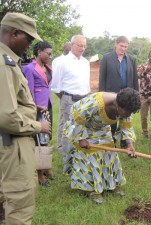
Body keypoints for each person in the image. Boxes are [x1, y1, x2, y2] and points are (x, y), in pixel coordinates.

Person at [0, 12, 51, 225]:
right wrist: (37, 125)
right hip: (12, 144)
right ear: (13, 33)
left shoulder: (9, 60)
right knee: (20, 204)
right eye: (28, 39)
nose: (30, 45)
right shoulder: (5, 64)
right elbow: (6, 116)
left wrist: (31, 107)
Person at [63, 88, 140, 204]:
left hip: (103, 129)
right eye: (127, 112)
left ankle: (112, 184)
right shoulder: (94, 103)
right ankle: (92, 189)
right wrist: (81, 138)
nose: (129, 115)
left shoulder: (126, 107)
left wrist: (130, 145)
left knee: (111, 154)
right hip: (85, 127)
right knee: (91, 156)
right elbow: (76, 119)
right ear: (118, 106)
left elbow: (126, 125)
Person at [23, 41, 57, 187]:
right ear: (39, 52)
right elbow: (28, 92)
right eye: (48, 53)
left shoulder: (48, 67)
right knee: (39, 140)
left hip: (47, 106)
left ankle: (47, 168)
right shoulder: (29, 69)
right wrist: (34, 108)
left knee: (47, 137)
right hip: (37, 108)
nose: (50, 56)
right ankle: (39, 175)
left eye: (51, 53)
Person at [51, 35, 90, 158]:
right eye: (79, 45)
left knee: (82, 127)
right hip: (69, 99)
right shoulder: (62, 62)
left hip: (84, 99)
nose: (82, 48)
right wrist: (65, 98)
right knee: (68, 129)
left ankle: (79, 153)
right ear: (72, 45)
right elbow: (55, 85)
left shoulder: (85, 62)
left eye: (84, 46)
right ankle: (67, 157)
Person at [99, 36, 138, 148]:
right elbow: (102, 78)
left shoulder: (131, 59)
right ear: (116, 44)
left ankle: (125, 142)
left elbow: (134, 79)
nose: (123, 49)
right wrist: (102, 95)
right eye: (121, 46)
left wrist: (136, 96)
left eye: (126, 46)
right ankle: (111, 142)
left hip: (127, 96)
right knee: (111, 119)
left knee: (126, 119)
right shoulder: (106, 58)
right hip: (111, 95)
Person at [51, 42, 71, 152]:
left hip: (73, 95)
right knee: (62, 120)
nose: (71, 48)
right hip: (63, 94)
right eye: (69, 46)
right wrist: (61, 96)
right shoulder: (58, 61)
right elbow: (55, 81)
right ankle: (60, 145)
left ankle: (70, 144)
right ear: (64, 47)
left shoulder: (75, 60)